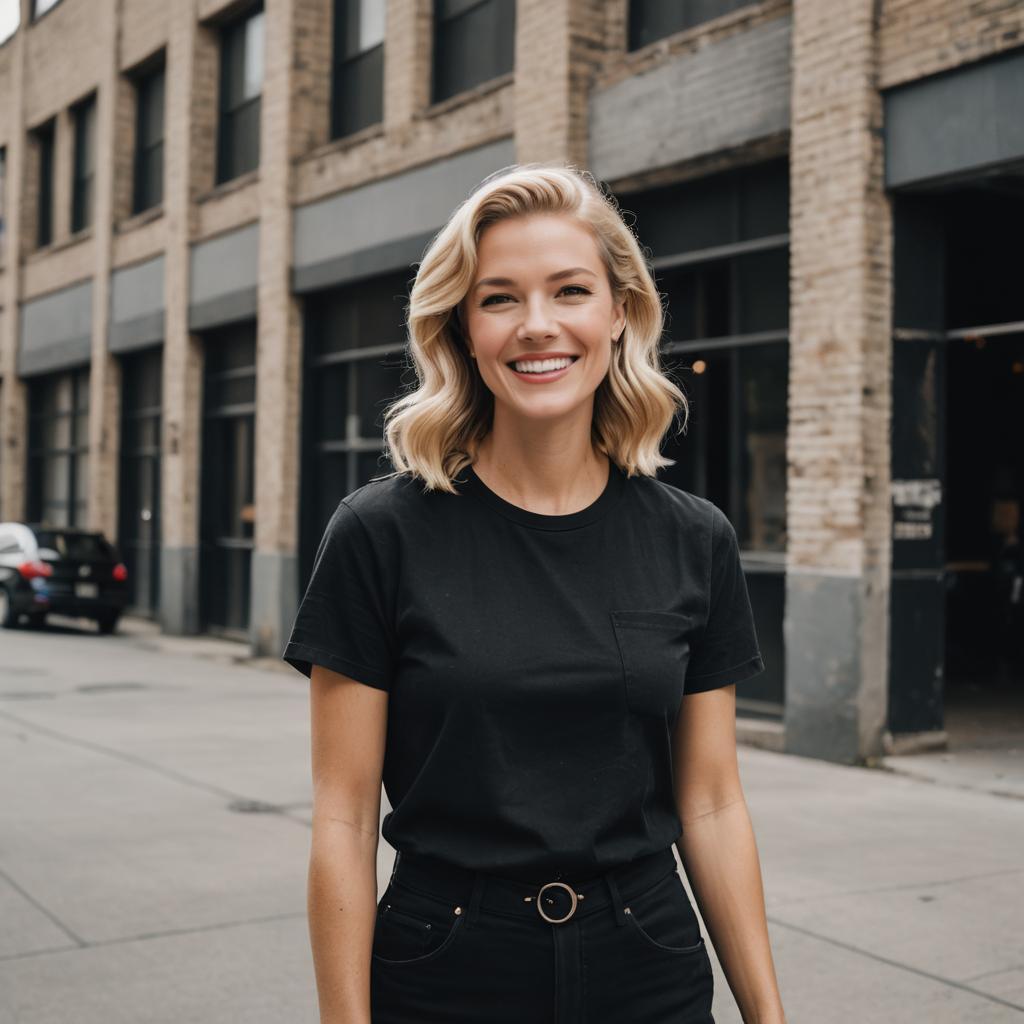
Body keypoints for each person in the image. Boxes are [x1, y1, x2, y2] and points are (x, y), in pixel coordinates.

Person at [283, 164, 787, 1024]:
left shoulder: (693, 538)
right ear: (463, 327)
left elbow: (710, 800)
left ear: (618, 313)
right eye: (500, 298)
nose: (538, 325)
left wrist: (769, 1017)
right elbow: (342, 819)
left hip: (648, 959)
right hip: (445, 961)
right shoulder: (380, 533)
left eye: (570, 290)